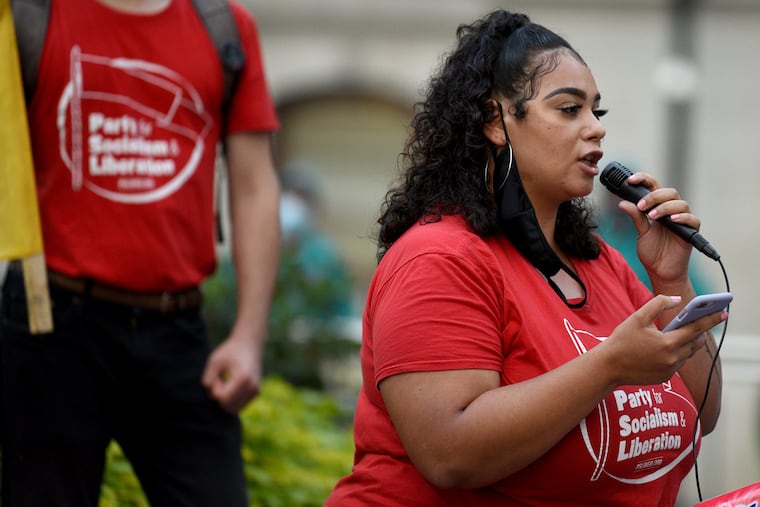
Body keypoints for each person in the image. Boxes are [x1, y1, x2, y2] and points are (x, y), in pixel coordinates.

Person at [325, 9, 725, 506]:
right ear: (496, 121)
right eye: (568, 109)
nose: (595, 130)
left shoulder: (601, 262)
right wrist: (609, 367)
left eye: (595, 113)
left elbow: (703, 413)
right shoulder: (438, 259)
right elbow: (450, 454)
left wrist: (672, 282)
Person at [0, 1, 280, 506]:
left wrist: (248, 336)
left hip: (177, 326)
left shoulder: (223, 25)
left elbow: (255, 185)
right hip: (51, 321)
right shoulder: (26, 14)